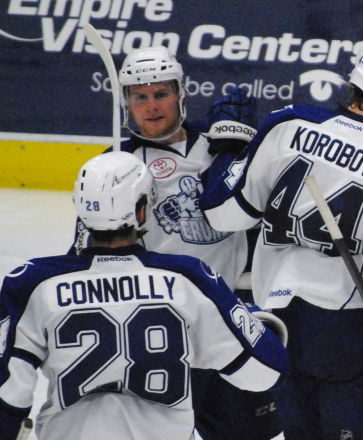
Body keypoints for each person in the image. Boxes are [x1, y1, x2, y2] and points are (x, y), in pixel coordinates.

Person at [202, 36, 363, 439]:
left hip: (275, 327)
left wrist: (230, 147)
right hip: (349, 336)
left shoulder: (287, 122)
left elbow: (222, 212)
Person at [71, 46, 283, 440]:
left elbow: (261, 222)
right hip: (157, 331)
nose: (151, 106)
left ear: (181, 94)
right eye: (140, 96)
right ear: (127, 104)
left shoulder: (221, 144)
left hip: (226, 321)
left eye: (161, 93)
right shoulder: (116, 164)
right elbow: (86, 256)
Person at [0, 152, 288, 440]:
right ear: (141, 211)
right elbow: (262, 372)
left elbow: (10, 393)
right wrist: (253, 323)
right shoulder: (189, 279)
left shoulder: (32, 283)